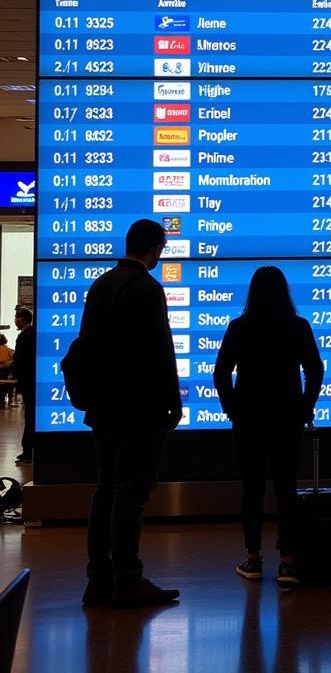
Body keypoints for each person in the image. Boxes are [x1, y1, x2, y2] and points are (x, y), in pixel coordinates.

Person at [80, 219, 182, 608]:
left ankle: (97, 578)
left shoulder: (101, 285)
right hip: (139, 410)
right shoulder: (147, 288)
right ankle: (129, 578)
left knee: (105, 488)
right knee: (129, 494)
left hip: (102, 407)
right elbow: (161, 350)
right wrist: (174, 401)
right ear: (155, 249)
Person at [214, 266, 324, 590]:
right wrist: (305, 407)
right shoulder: (298, 326)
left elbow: (221, 374)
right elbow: (315, 370)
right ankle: (288, 564)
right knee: (286, 489)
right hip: (287, 417)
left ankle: (253, 558)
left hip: (248, 418)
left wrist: (232, 408)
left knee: (252, 489)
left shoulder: (239, 327)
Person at [12, 309, 36, 462]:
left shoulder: (24, 336)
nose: (15, 320)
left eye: (16, 317)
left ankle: (28, 451)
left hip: (27, 383)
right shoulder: (34, 334)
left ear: (22, 319)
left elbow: (20, 359)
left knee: (30, 417)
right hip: (31, 382)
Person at [0, 333, 14, 407]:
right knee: (4, 385)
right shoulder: (7, 349)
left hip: (4, 369)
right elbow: (13, 357)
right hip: (5, 370)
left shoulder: (7, 349)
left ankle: (2, 400)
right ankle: (4, 399)